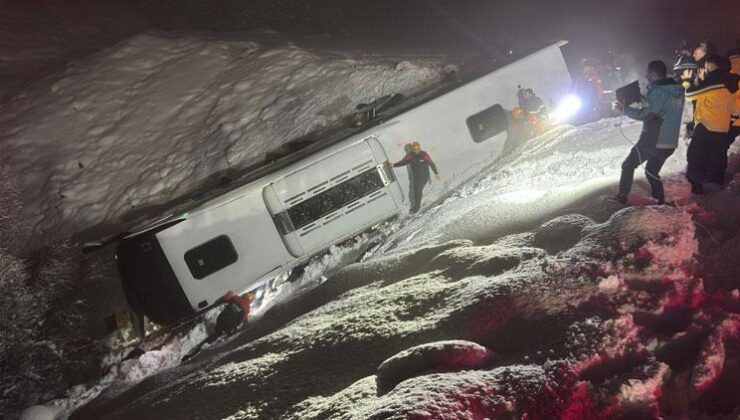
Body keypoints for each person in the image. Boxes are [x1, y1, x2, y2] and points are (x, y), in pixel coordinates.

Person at [614, 60, 685, 205]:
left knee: (628, 165)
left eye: (647, 74)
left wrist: (624, 109)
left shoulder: (659, 91)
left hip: (654, 140)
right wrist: (644, 99)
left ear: (653, 74)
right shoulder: (675, 90)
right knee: (652, 171)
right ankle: (660, 202)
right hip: (669, 142)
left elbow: (646, 115)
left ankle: (621, 198)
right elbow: (660, 108)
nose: (646, 76)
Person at [685, 54, 739, 192]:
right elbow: (734, 109)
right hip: (722, 126)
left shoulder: (715, 80)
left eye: (706, 65)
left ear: (711, 66)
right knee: (718, 156)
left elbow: (689, 95)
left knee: (696, 156)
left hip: (706, 125)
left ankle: (697, 187)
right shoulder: (731, 82)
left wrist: (688, 82)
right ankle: (717, 184)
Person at [392, 141, 440, 213]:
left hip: (424, 176)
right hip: (416, 177)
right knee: (415, 192)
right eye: (414, 149)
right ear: (412, 149)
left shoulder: (424, 154)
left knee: (418, 191)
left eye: (417, 149)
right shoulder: (410, 155)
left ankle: (417, 208)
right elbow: (403, 162)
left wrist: (436, 173)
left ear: (419, 148)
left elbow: (431, 163)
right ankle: (416, 206)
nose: (416, 151)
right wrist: (394, 165)